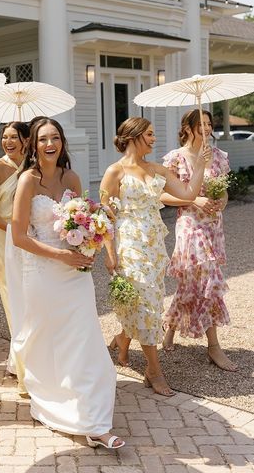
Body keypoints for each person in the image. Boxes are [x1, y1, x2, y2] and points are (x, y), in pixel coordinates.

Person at [6, 118, 123, 449]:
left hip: (75, 274)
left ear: (62, 142)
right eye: (43, 138)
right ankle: (50, 402)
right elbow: (17, 237)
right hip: (43, 273)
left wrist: (89, 242)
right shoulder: (27, 181)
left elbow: (83, 220)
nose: (49, 143)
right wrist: (60, 256)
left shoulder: (70, 177)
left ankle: (94, 421)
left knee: (84, 340)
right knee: (47, 340)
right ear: (34, 145)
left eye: (55, 137)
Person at [100, 117, 210, 397]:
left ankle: (122, 339)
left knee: (144, 301)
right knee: (148, 304)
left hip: (155, 246)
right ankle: (154, 371)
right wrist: (110, 253)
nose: (154, 138)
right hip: (129, 244)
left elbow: (188, 193)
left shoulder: (158, 169)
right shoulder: (114, 172)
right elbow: (104, 217)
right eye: (149, 134)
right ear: (134, 135)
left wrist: (199, 166)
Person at [160, 109, 237, 371]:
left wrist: (220, 203)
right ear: (188, 127)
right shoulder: (175, 158)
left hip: (213, 225)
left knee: (191, 284)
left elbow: (224, 192)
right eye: (199, 124)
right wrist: (194, 199)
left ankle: (169, 325)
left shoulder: (218, 156)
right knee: (210, 280)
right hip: (190, 224)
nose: (205, 128)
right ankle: (214, 347)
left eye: (208, 123)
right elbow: (162, 196)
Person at [0, 121, 30, 388]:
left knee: (30, 297)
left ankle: (19, 357)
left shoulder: (33, 167)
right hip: (3, 237)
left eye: (14, 137)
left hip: (30, 239)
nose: (7, 142)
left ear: (26, 139)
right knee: (13, 299)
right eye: (4, 137)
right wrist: (12, 228)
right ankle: (24, 366)